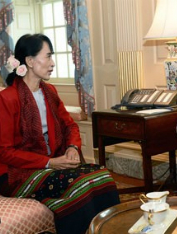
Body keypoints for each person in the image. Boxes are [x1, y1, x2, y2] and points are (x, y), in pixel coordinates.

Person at [0, 34, 120, 234]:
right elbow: (4, 152)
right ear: (29, 61)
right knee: (80, 184)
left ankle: (110, 230)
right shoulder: (7, 98)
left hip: (49, 164)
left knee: (101, 174)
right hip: (15, 175)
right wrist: (50, 163)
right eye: (47, 57)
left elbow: (70, 126)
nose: (52, 63)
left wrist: (72, 147)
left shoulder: (50, 92)